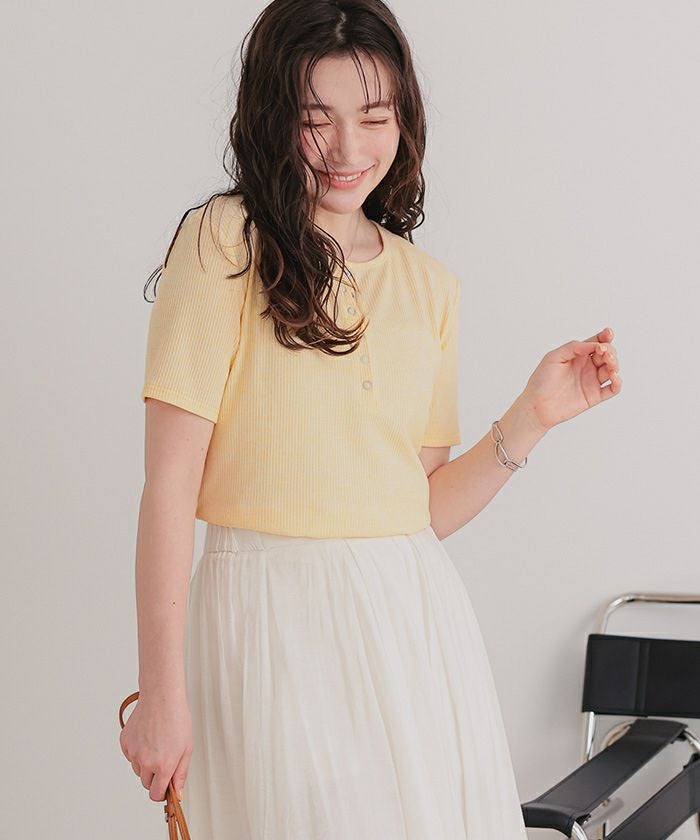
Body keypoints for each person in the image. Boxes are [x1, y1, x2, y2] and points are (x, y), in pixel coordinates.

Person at [119, 1, 622, 837]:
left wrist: (533, 416)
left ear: (404, 120)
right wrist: (161, 693)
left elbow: (417, 509)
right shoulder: (225, 243)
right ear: (271, 118)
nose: (348, 149)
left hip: (412, 626)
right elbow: (168, 486)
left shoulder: (429, 286)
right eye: (316, 119)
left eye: (375, 117)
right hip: (270, 624)